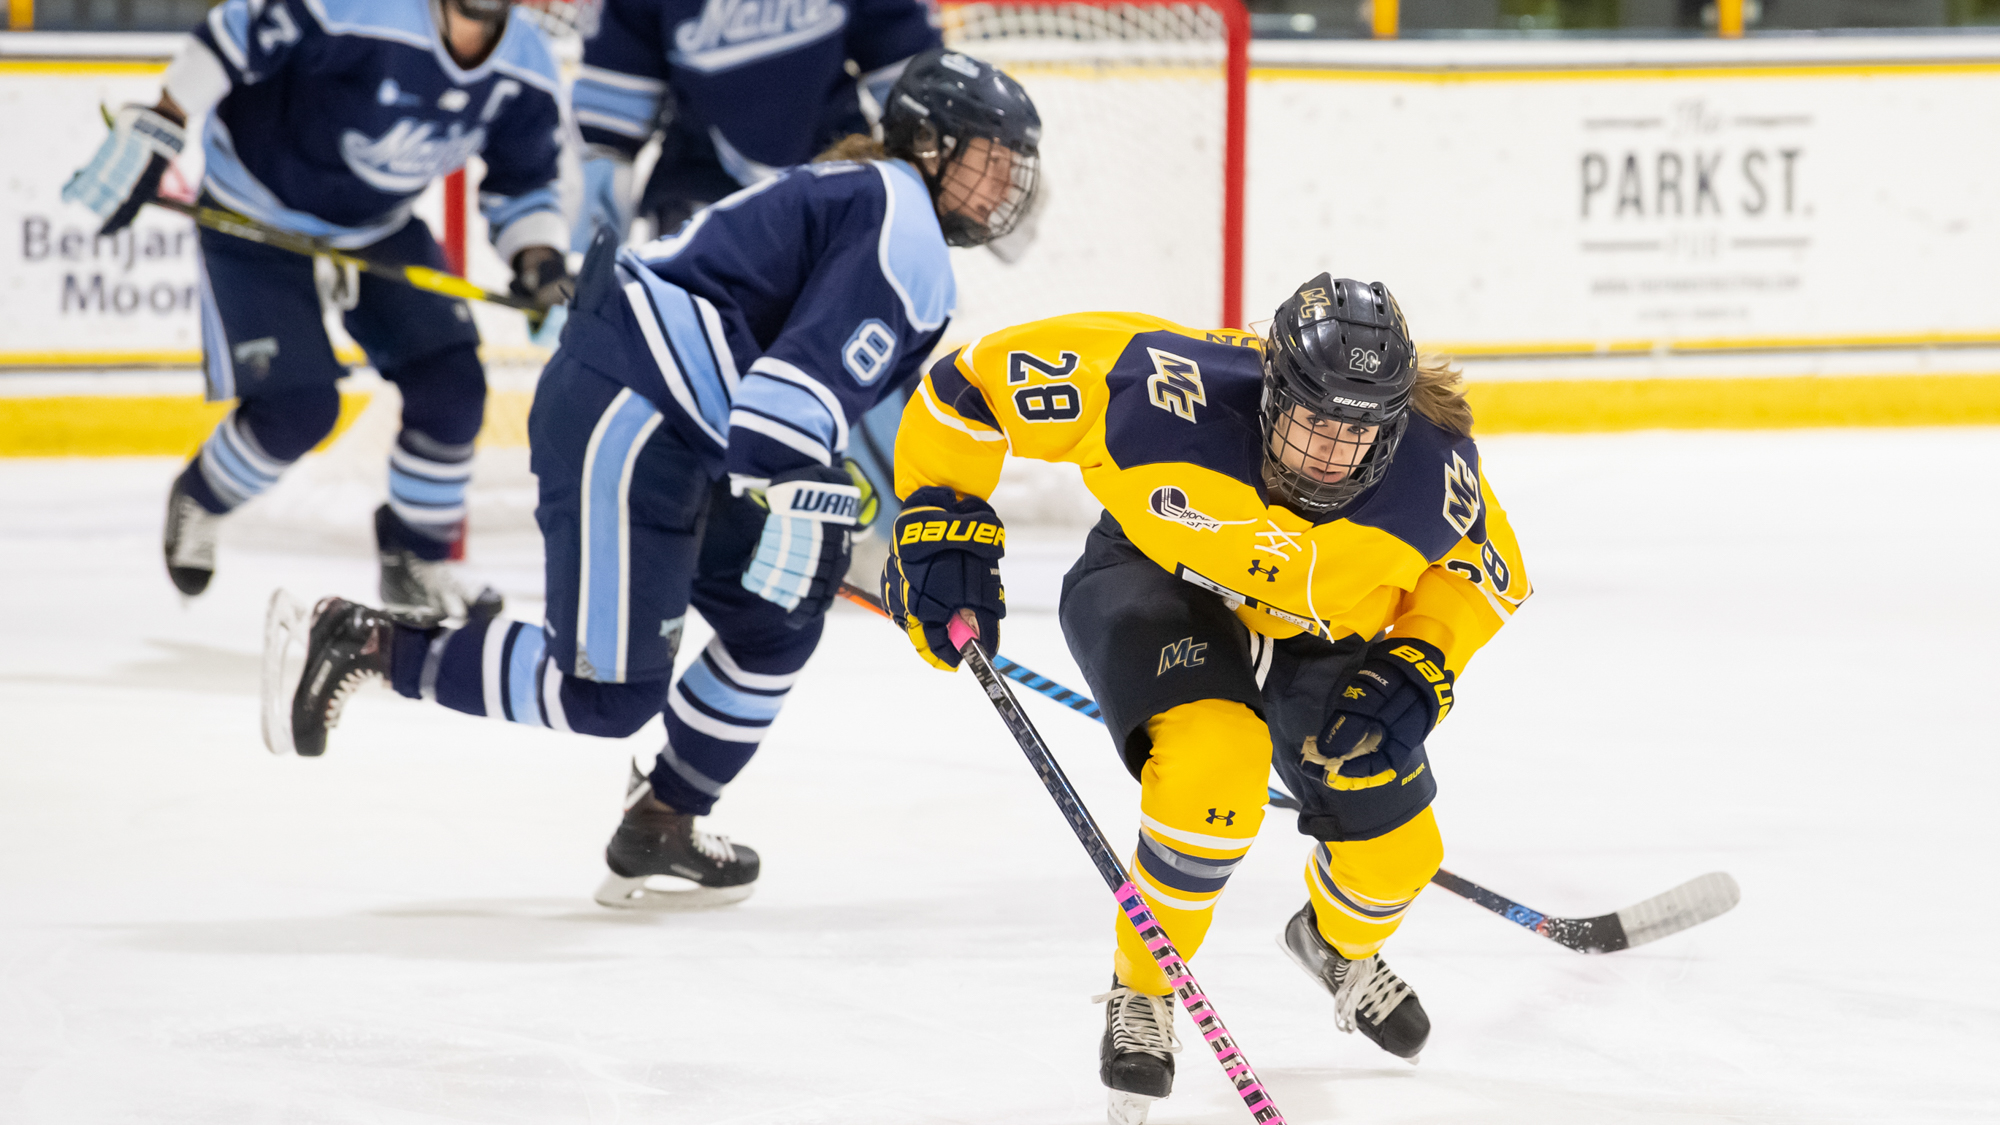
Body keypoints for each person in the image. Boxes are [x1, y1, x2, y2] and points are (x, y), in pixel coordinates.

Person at [264, 50, 1043, 910]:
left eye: (1015, 165)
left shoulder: (877, 202)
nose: (1004, 182)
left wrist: (865, 533)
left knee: (777, 621)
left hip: (681, 421)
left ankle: (662, 821)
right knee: (605, 694)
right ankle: (369, 642)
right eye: (989, 156)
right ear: (929, 144)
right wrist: (804, 502)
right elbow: (787, 404)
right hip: (632, 414)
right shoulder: (905, 228)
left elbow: (802, 406)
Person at [881, 276, 1530, 1123]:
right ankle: (1145, 989)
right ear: (1273, 394)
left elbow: (1489, 575)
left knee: (1399, 854)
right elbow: (969, 385)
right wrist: (939, 510)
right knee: (1216, 771)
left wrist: (1420, 660)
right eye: (1312, 422)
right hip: (1153, 581)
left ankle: (1333, 945)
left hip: (1321, 632)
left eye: (1357, 431)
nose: (1332, 453)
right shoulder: (1155, 389)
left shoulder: (1430, 471)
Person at [62, 0, 575, 620]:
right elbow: (237, 31)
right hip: (254, 209)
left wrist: (538, 260)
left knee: (453, 387)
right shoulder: (360, 9)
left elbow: (525, 182)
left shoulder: (527, 67)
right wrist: (163, 119)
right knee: (299, 410)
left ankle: (416, 560)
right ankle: (202, 496)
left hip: (375, 226)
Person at [567, 0, 942, 250]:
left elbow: (906, 64)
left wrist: (941, 147)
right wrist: (584, 249)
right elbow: (610, 113)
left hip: (837, 174)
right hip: (700, 183)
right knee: (698, 348)